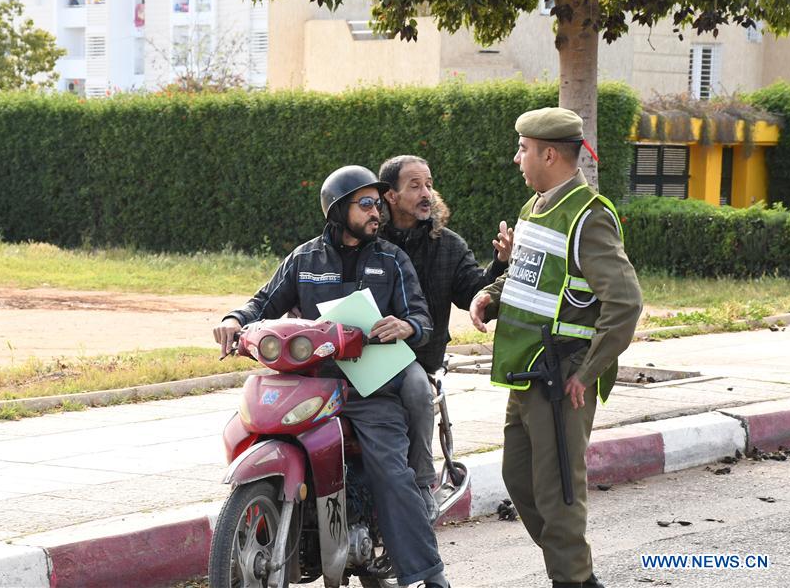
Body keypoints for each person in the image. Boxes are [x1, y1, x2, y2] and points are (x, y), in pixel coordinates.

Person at [214, 165, 451, 588]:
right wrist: (235, 319)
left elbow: (421, 317)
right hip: (312, 382)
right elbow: (264, 300)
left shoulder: (391, 260)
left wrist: (407, 326)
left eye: (378, 203)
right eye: (366, 203)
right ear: (339, 209)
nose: (376, 211)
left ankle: (427, 576)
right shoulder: (304, 259)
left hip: (372, 384)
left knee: (392, 473)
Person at [469, 108, 642, 588]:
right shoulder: (535, 208)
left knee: (560, 493)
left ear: (549, 153)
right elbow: (531, 277)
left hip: (561, 378)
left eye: (523, 149)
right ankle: (577, 573)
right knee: (520, 480)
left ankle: (572, 579)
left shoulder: (590, 218)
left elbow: (625, 303)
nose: (517, 158)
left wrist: (586, 374)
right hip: (524, 372)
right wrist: (492, 294)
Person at [377, 155, 511, 519]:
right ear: (390, 195)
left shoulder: (448, 245)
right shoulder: (367, 240)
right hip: (366, 357)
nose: (426, 194)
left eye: (429, 184)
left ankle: (422, 484)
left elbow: (475, 294)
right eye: (415, 186)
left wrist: (501, 264)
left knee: (418, 389)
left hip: (418, 358)